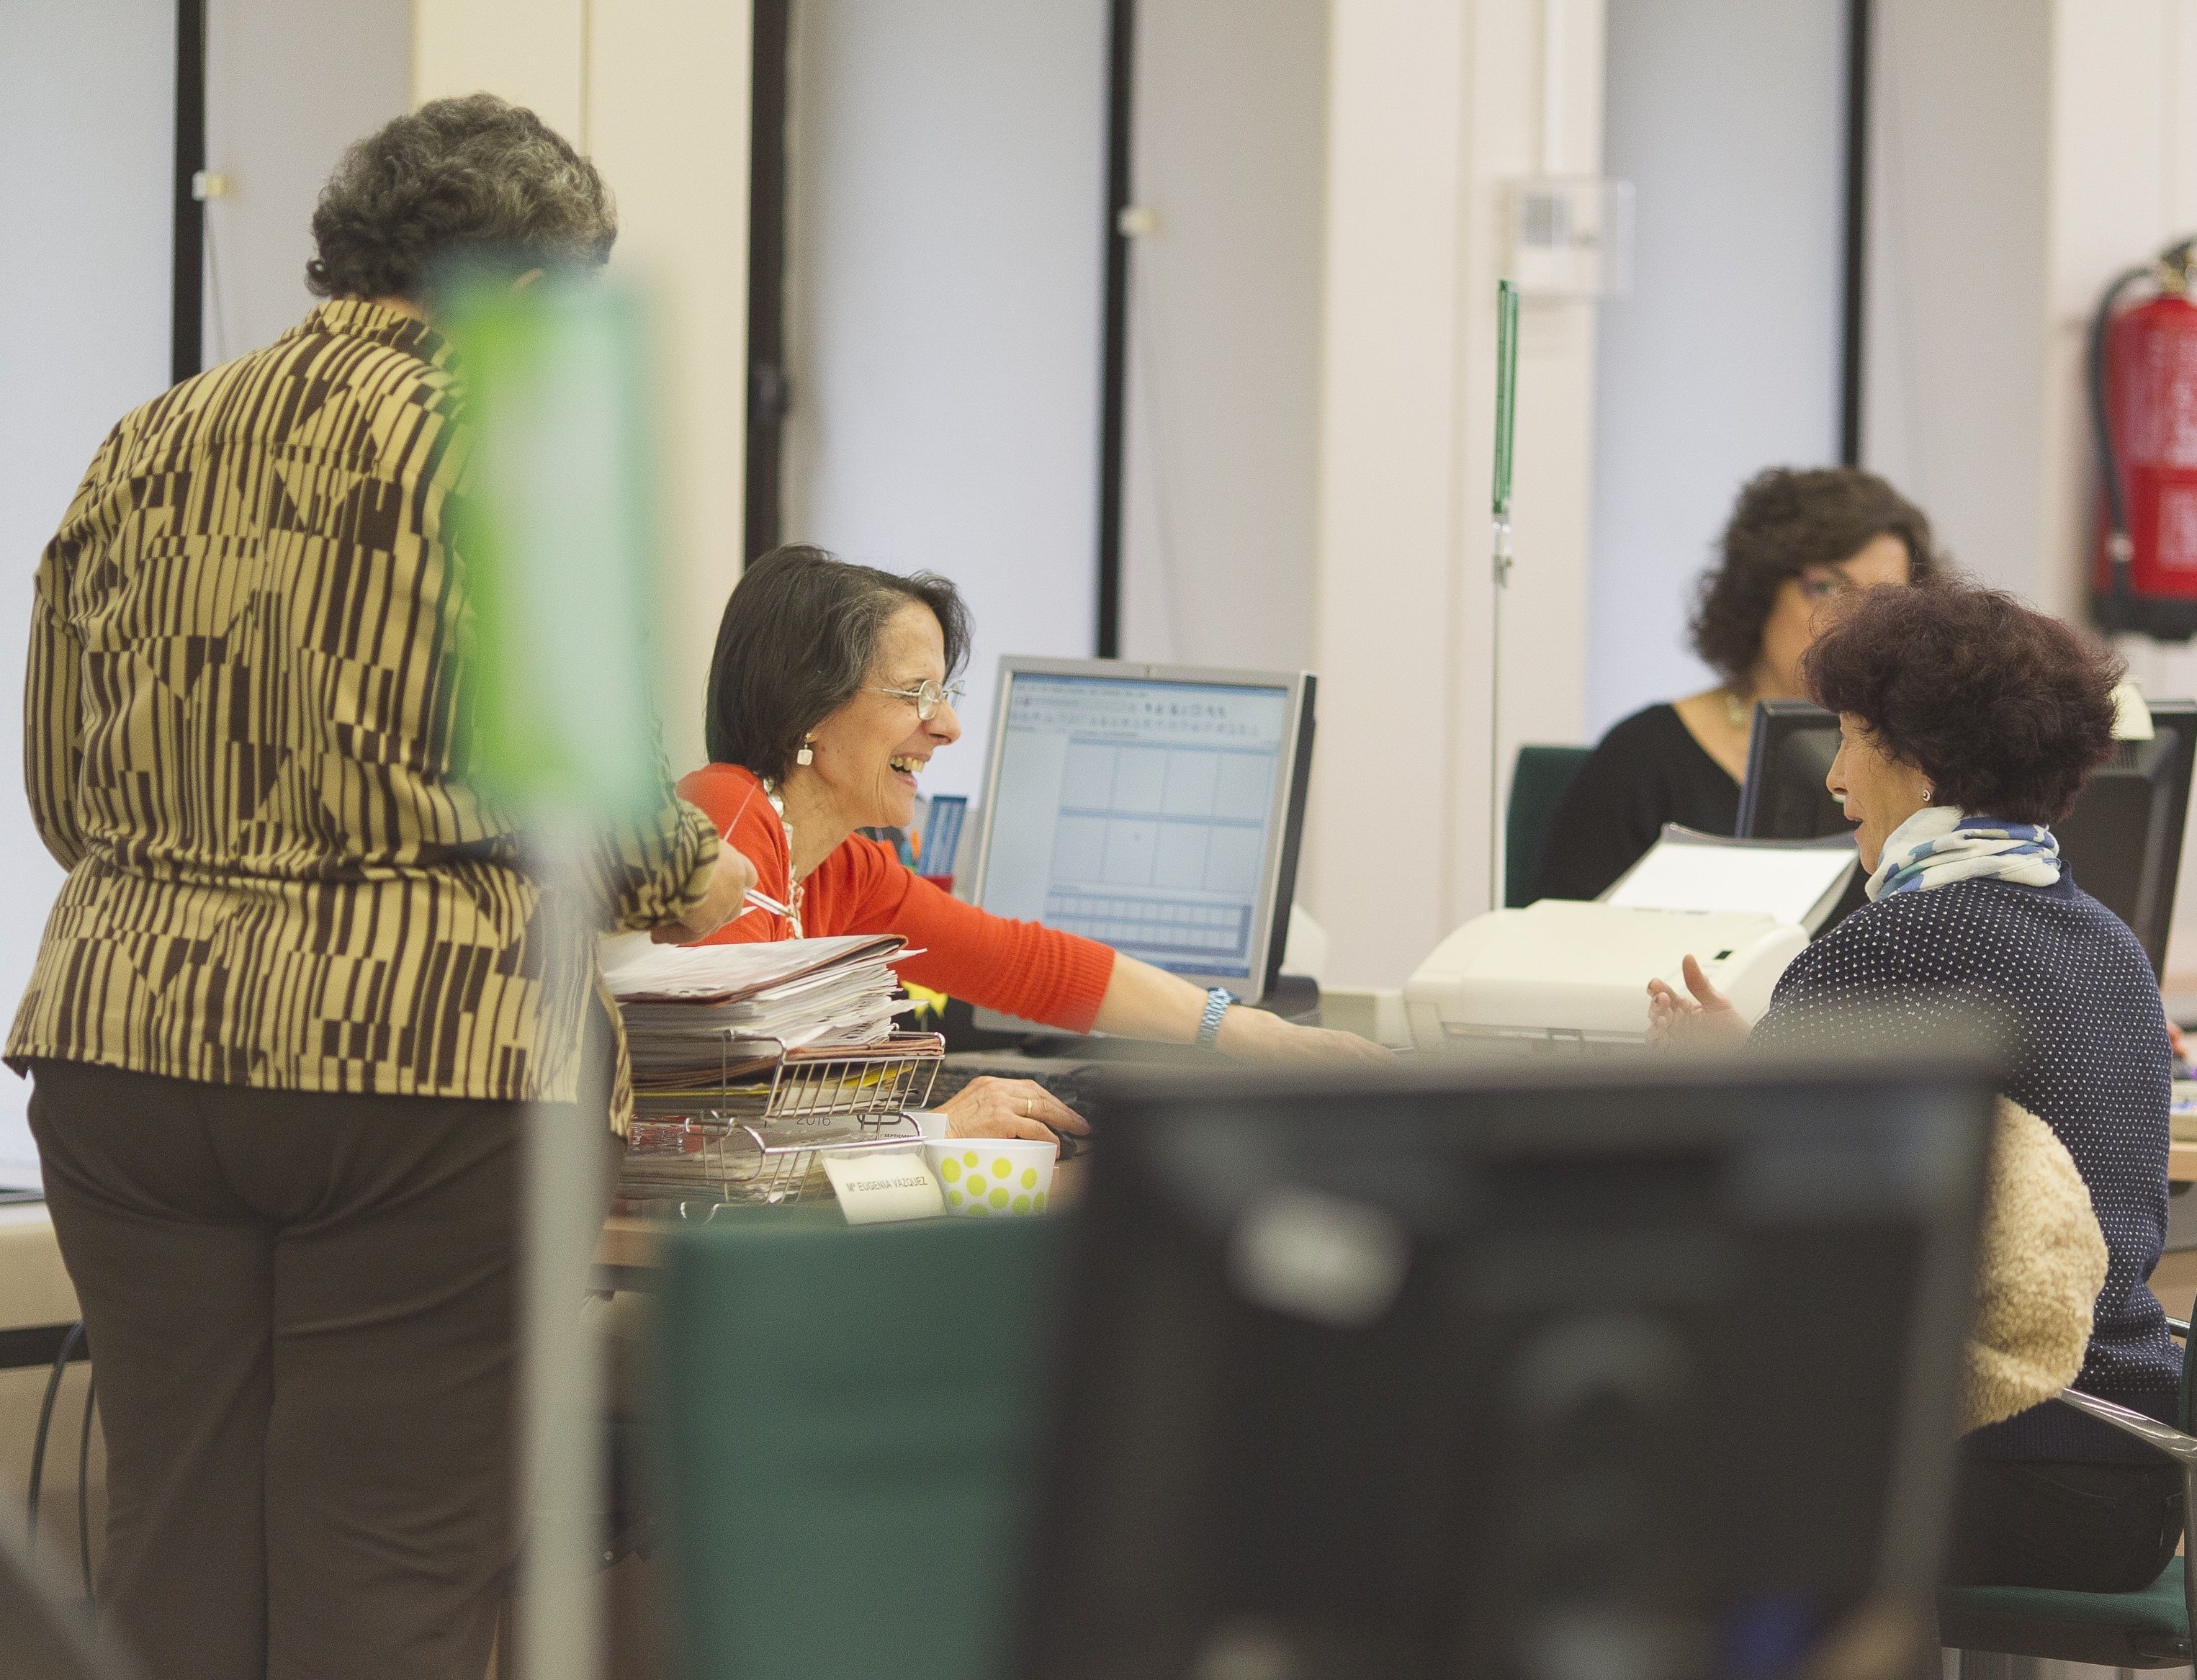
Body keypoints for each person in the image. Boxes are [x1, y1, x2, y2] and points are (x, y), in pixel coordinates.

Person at [6, 96, 755, 1680]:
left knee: (177, 1549)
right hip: (425, 1061)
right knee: (386, 1568)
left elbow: (65, 786)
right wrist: (707, 870)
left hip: (129, 1045)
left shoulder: (150, 434)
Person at [1648, 580, 2183, 1595]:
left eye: (1853, 738)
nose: (1838, 777)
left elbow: (1765, 1223)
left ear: (1924, 762)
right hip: (2135, 1471)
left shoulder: (1891, 943)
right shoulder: (2111, 942)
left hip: (2005, 1471)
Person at [678, 546, 1386, 1142]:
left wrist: (1248, 1033)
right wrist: (937, 1128)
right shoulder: (728, 817)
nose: (948, 725)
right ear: (810, 710)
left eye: (944, 692)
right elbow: (725, 1111)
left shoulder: (842, 867)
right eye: (916, 694)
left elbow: (1029, 965)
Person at [1531, 466, 1936, 900]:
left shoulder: (1918, 762)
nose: (1854, 621)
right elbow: (1559, 936)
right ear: (1759, 589)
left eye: (1884, 602)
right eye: (1828, 587)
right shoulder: (1644, 755)